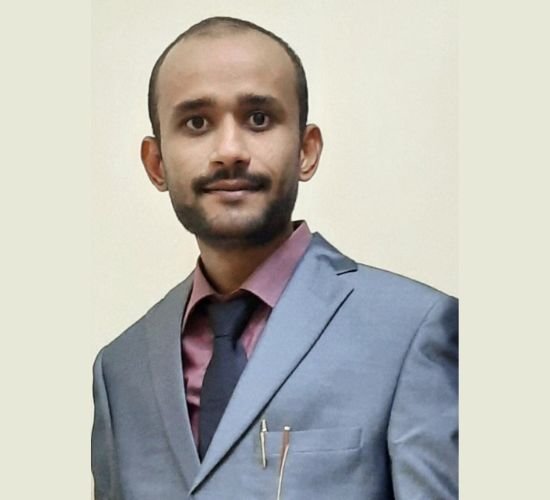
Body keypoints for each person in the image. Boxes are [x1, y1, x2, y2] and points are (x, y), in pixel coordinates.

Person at [92, 16, 458, 500]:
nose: (229, 151)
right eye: (196, 123)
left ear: (306, 150)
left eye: (259, 119)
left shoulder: (411, 330)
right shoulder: (119, 370)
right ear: (156, 163)